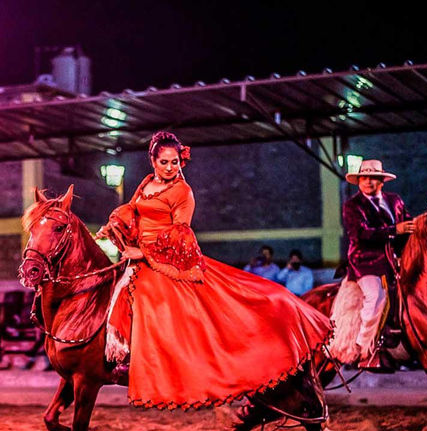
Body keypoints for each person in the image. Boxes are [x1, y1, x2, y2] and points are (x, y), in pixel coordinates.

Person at [96, 131, 333, 410]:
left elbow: (180, 234)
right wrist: (115, 227)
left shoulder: (182, 192)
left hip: (166, 260)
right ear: (152, 161)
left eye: (175, 162)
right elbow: (134, 213)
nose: (171, 168)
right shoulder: (146, 183)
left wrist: (144, 252)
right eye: (164, 162)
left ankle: (141, 363)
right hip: (136, 257)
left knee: (147, 297)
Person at [336, 159, 414, 370]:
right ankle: (364, 348)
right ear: (359, 181)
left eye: (373, 178)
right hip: (366, 261)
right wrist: (393, 231)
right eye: (364, 178)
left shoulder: (395, 200)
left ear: (382, 181)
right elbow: (360, 234)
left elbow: (407, 226)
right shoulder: (352, 205)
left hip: (394, 260)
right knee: (376, 295)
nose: (369, 182)